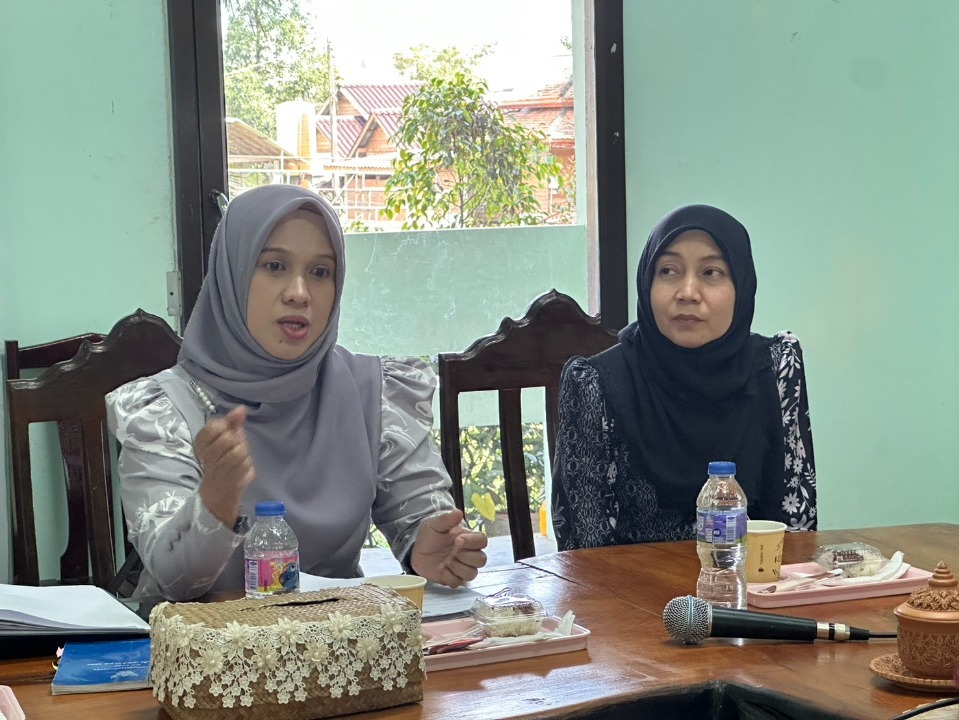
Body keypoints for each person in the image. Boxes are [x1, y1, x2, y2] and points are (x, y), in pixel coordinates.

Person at [106, 185, 487, 601]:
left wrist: (431, 547)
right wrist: (217, 496)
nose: (299, 293)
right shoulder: (163, 410)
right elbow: (175, 580)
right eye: (274, 266)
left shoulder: (372, 391)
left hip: (338, 631)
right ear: (232, 276)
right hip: (200, 637)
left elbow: (421, 513)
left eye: (320, 272)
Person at [551, 204, 816, 550]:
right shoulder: (594, 385)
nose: (688, 292)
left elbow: (796, 535)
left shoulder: (776, 369)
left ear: (742, 285)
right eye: (668, 271)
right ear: (647, 281)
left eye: (711, 272)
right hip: (627, 585)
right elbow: (584, 555)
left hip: (749, 583)